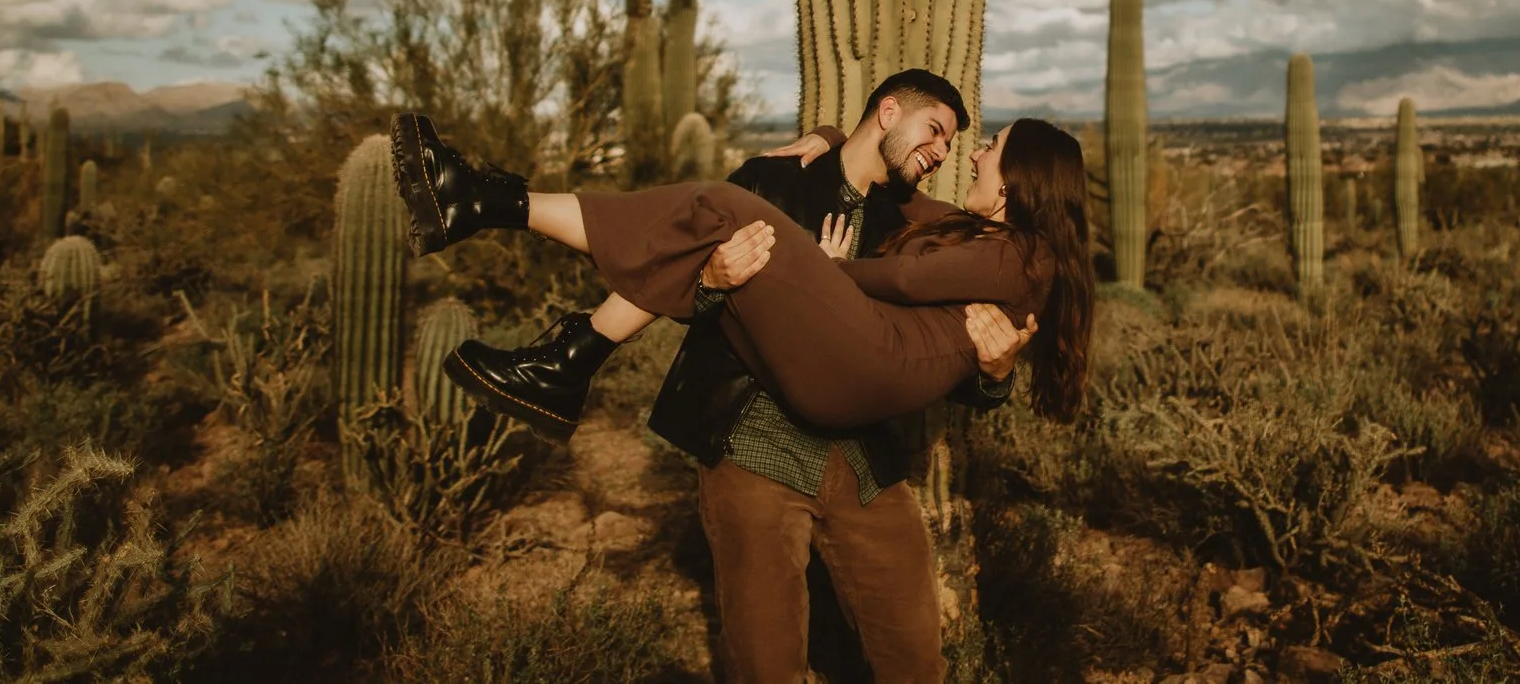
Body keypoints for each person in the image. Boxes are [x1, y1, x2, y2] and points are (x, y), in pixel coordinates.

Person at [645, 72, 1028, 684]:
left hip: (863, 464)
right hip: (754, 450)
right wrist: (712, 280)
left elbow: (940, 357)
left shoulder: (916, 225)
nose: (942, 155)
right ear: (888, 112)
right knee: (764, 659)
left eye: (951, 146)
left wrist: (996, 374)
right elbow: (675, 291)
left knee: (913, 655)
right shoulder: (770, 182)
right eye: (935, 132)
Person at [388, 106, 1092, 438]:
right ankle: (565, 360)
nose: (972, 154)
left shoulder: (1024, 255)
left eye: (991, 147)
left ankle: (486, 203)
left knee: (732, 211)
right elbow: (897, 185)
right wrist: (838, 137)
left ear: (1019, 180)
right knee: (716, 243)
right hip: (859, 365)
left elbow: (907, 283)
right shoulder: (980, 235)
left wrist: (828, 273)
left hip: (871, 360)